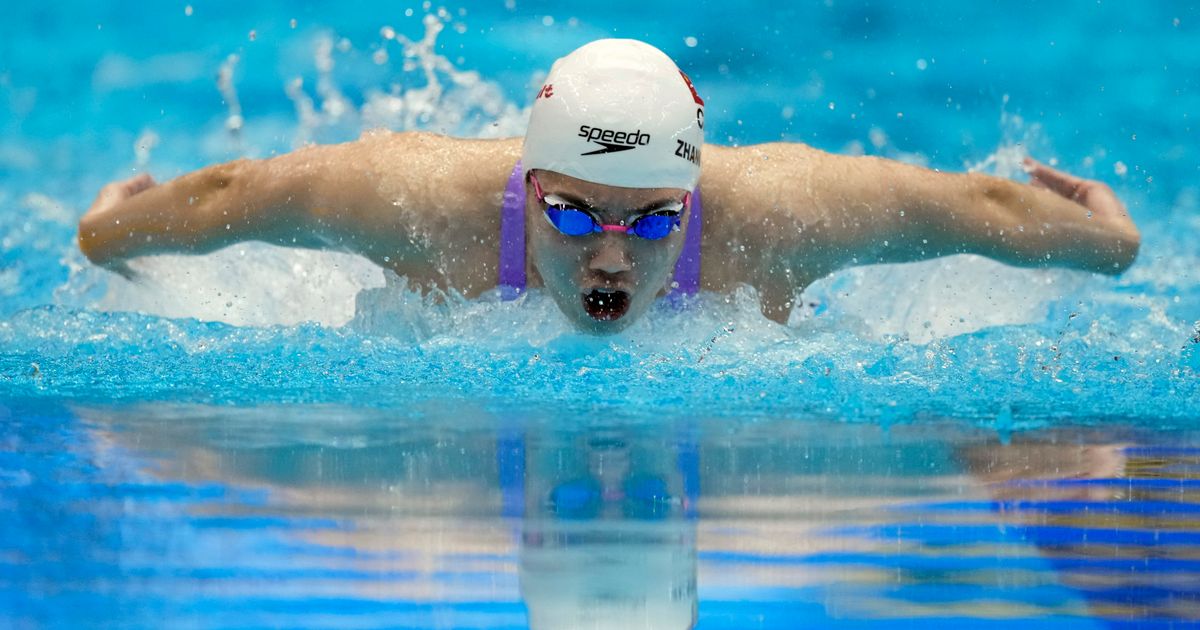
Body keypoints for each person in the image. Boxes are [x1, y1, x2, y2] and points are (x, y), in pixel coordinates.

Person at [78, 39, 1140, 334]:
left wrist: (1113, 244)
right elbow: (238, 191)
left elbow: (976, 211)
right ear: (529, 181)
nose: (611, 255)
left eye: (654, 220)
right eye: (574, 211)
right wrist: (105, 236)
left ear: (695, 200)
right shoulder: (418, 199)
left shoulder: (782, 215)